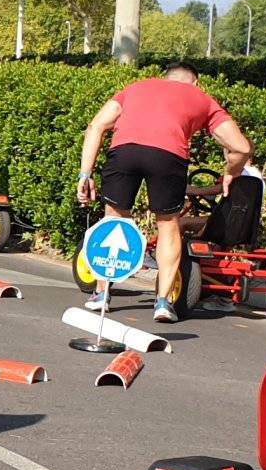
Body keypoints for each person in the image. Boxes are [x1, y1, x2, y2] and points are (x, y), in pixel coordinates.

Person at [76, 63, 252, 323]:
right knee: (168, 224)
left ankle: (102, 295)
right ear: (195, 83)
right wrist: (231, 171)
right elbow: (241, 147)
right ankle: (162, 303)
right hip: (168, 156)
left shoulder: (135, 88)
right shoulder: (202, 99)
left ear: (165, 78)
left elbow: (96, 127)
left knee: (114, 219)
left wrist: (85, 174)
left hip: (124, 151)